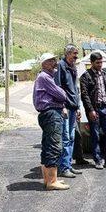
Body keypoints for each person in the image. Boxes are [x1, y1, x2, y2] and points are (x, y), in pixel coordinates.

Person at [33, 53, 70, 191]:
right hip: (51, 114)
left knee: (48, 146)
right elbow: (62, 95)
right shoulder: (45, 77)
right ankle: (52, 181)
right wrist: (62, 94)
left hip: (48, 114)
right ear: (45, 64)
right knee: (54, 146)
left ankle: (48, 180)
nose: (55, 63)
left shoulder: (46, 77)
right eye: (52, 61)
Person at [80, 52, 106, 169]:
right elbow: (85, 95)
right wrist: (90, 110)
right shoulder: (85, 76)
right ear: (91, 63)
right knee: (95, 136)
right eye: (97, 63)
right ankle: (98, 160)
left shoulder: (105, 75)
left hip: (105, 109)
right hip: (94, 109)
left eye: (101, 62)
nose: (100, 64)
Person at [54, 44, 81, 178]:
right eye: (74, 53)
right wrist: (62, 106)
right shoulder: (61, 66)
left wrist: (78, 107)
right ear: (67, 53)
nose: (76, 56)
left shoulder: (73, 67)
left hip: (73, 108)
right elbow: (58, 87)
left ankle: (68, 165)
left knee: (71, 138)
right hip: (65, 108)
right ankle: (64, 167)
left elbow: (75, 89)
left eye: (77, 54)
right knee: (66, 138)